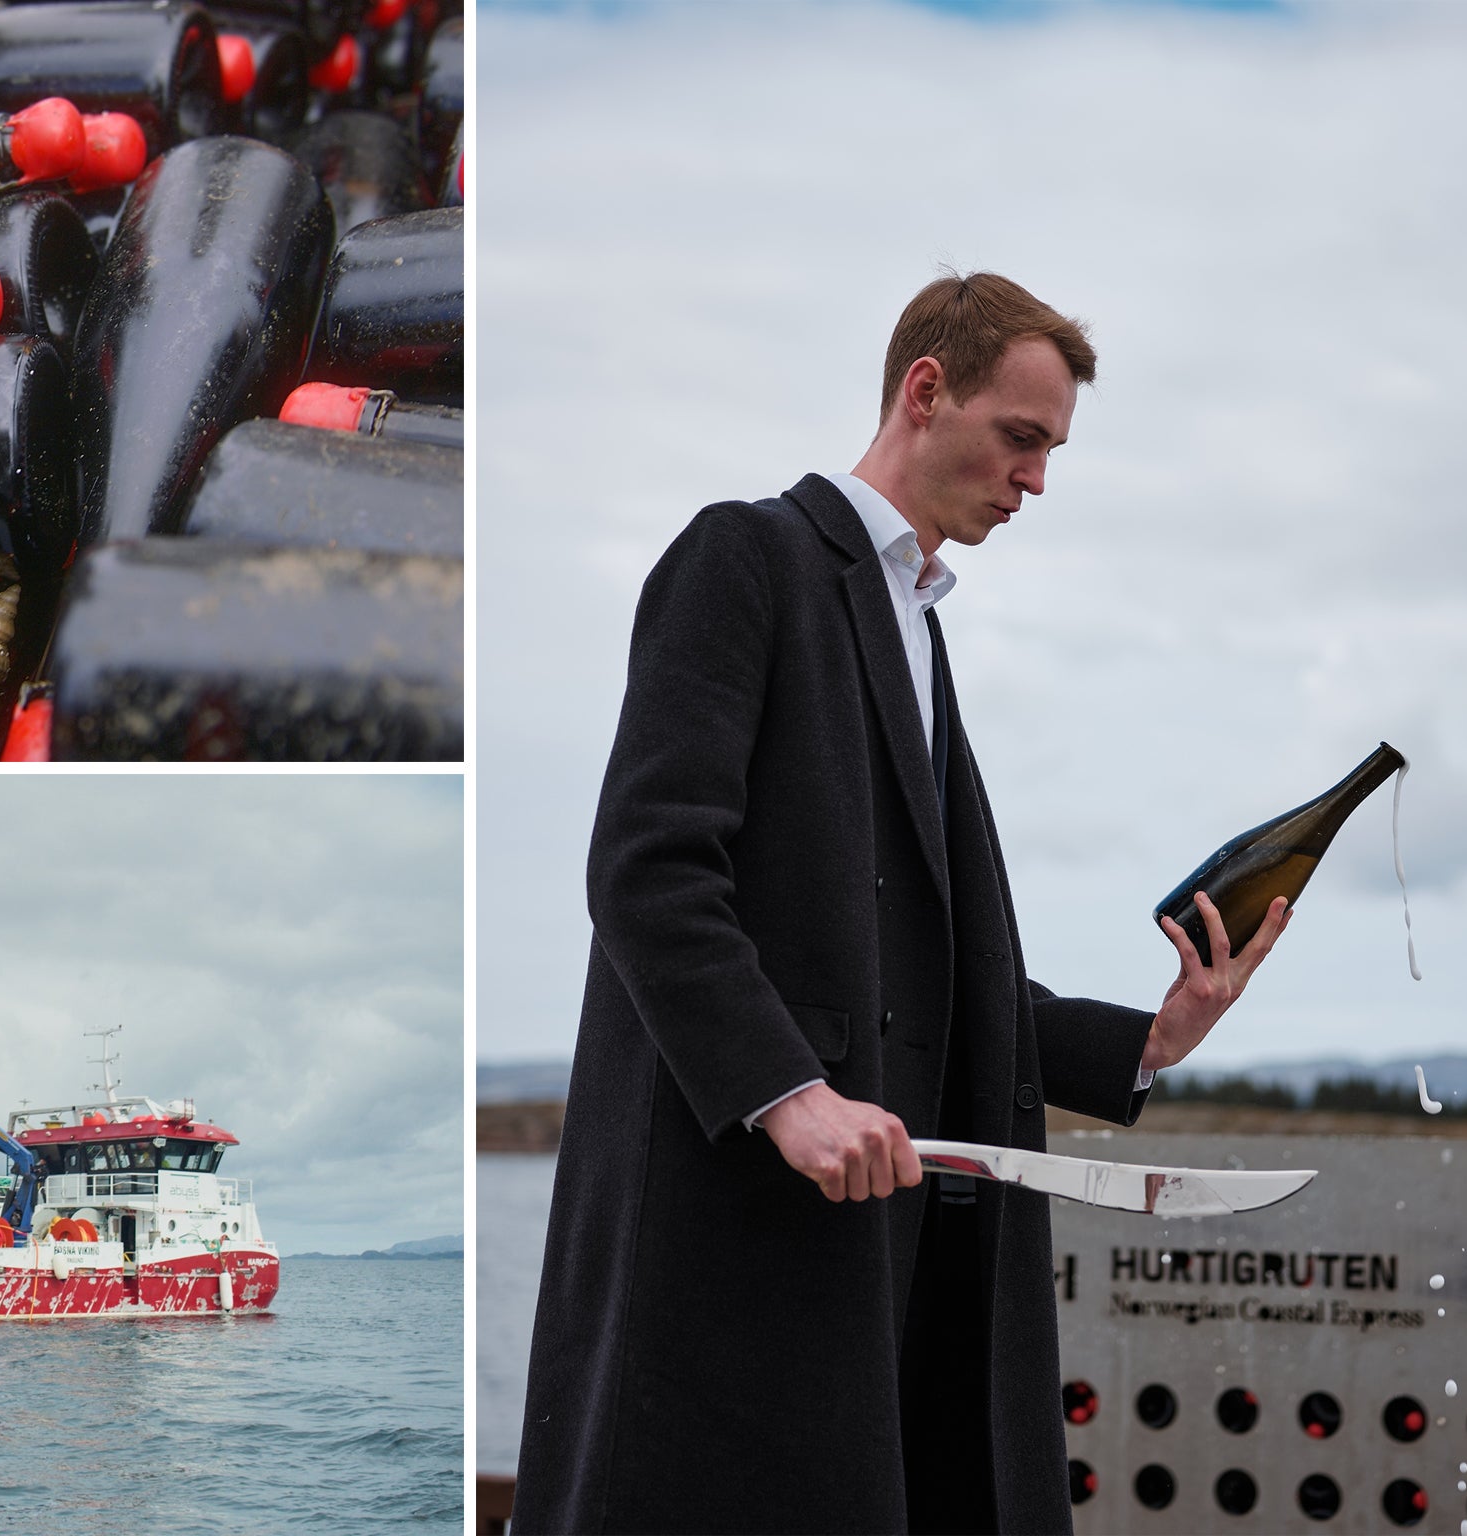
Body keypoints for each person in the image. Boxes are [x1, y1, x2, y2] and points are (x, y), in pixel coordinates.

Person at [510, 272, 1289, 1536]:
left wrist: (1143, 1040)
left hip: (883, 1235)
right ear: (923, 391)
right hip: (735, 1224)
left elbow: (919, 968)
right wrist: (785, 1092)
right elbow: (645, 869)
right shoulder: (744, 555)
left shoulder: (917, 627)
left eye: (1049, 450)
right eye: (1020, 437)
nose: (1034, 481)